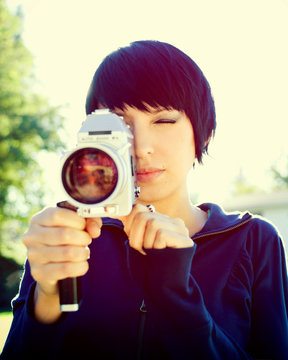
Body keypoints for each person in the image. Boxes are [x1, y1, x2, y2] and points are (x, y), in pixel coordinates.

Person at [1, 40, 288, 360]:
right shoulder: (65, 238)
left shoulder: (254, 240)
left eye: (163, 120)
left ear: (204, 134)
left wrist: (175, 295)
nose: (140, 147)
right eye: (118, 125)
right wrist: (47, 299)